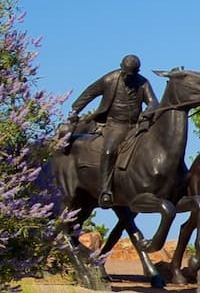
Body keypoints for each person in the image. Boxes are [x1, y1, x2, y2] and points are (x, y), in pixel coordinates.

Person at [67, 54, 157, 207]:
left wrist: (148, 111)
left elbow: (153, 102)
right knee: (109, 151)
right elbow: (90, 92)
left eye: (133, 73)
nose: (130, 77)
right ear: (122, 69)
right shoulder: (110, 79)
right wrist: (75, 110)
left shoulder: (143, 82)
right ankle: (106, 190)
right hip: (115, 125)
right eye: (127, 73)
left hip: (136, 126)